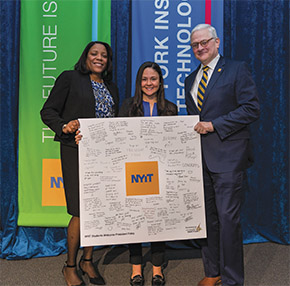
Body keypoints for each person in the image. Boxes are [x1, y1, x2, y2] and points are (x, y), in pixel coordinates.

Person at [184, 24, 260, 286]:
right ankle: (213, 271)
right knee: (207, 220)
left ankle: (231, 280)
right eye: (195, 45)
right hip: (200, 160)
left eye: (204, 42)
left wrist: (214, 125)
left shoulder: (237, 69)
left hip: (228, 157)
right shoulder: (189, 80)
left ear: (216, 43)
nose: (200, 48)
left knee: (228, 220)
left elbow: (251, 109)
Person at [40, 41, 119, 286]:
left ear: (108, 61)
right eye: (94, 54)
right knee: (79, 210)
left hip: (103, 155)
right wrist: (65, 126)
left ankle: (88, 260)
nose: (99, 58)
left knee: (95, 208)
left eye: (104, 55)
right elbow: (48, 111)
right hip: (75, 151)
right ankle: (70, 265)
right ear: (85, 57)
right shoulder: (70, 78)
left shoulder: (112, 87)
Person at [119, 61, 178, 286]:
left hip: (161, 173)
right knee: (136, 218)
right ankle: (136, 267)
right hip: (134, 172)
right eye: (144, 79)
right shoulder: (127, 107)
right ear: (139, 82)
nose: (149, 83)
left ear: (160, 81)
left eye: (153, 79)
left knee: (158, 220)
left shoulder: (171, 109)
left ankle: (156, 268)